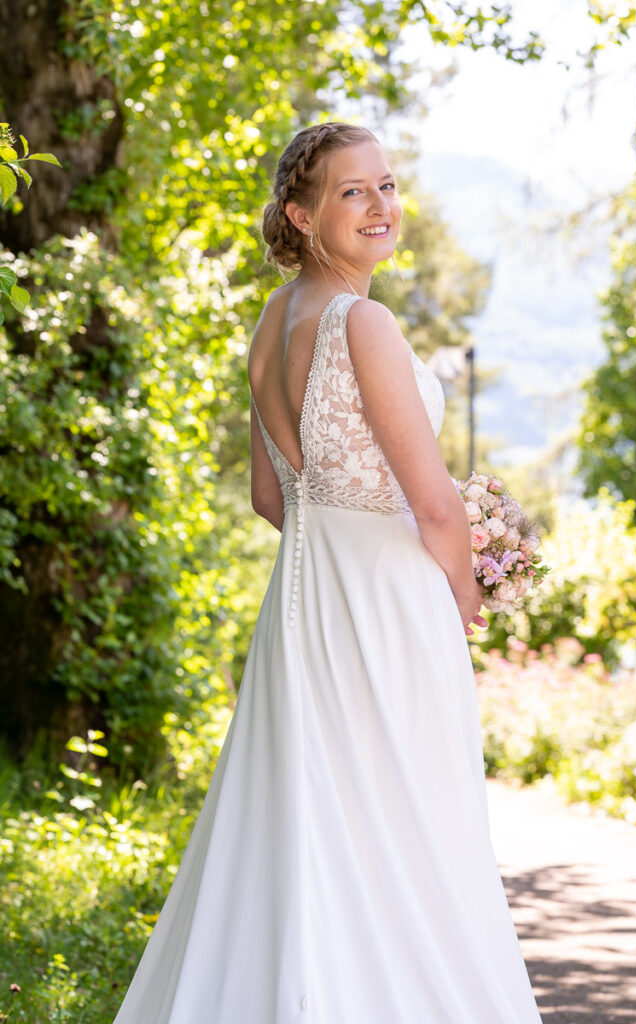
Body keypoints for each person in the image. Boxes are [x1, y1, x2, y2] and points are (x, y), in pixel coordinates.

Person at [111, 121, 543, 1023]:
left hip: (302, 603)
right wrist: (463, 594)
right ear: (301, 216)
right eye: (354, 191)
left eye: (387, 185)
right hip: (387, 607)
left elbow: (274, 497)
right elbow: (432, 508)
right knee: (409, 821)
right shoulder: (363, 322)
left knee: (302, 819)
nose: (381, 205)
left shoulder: (273, 322)